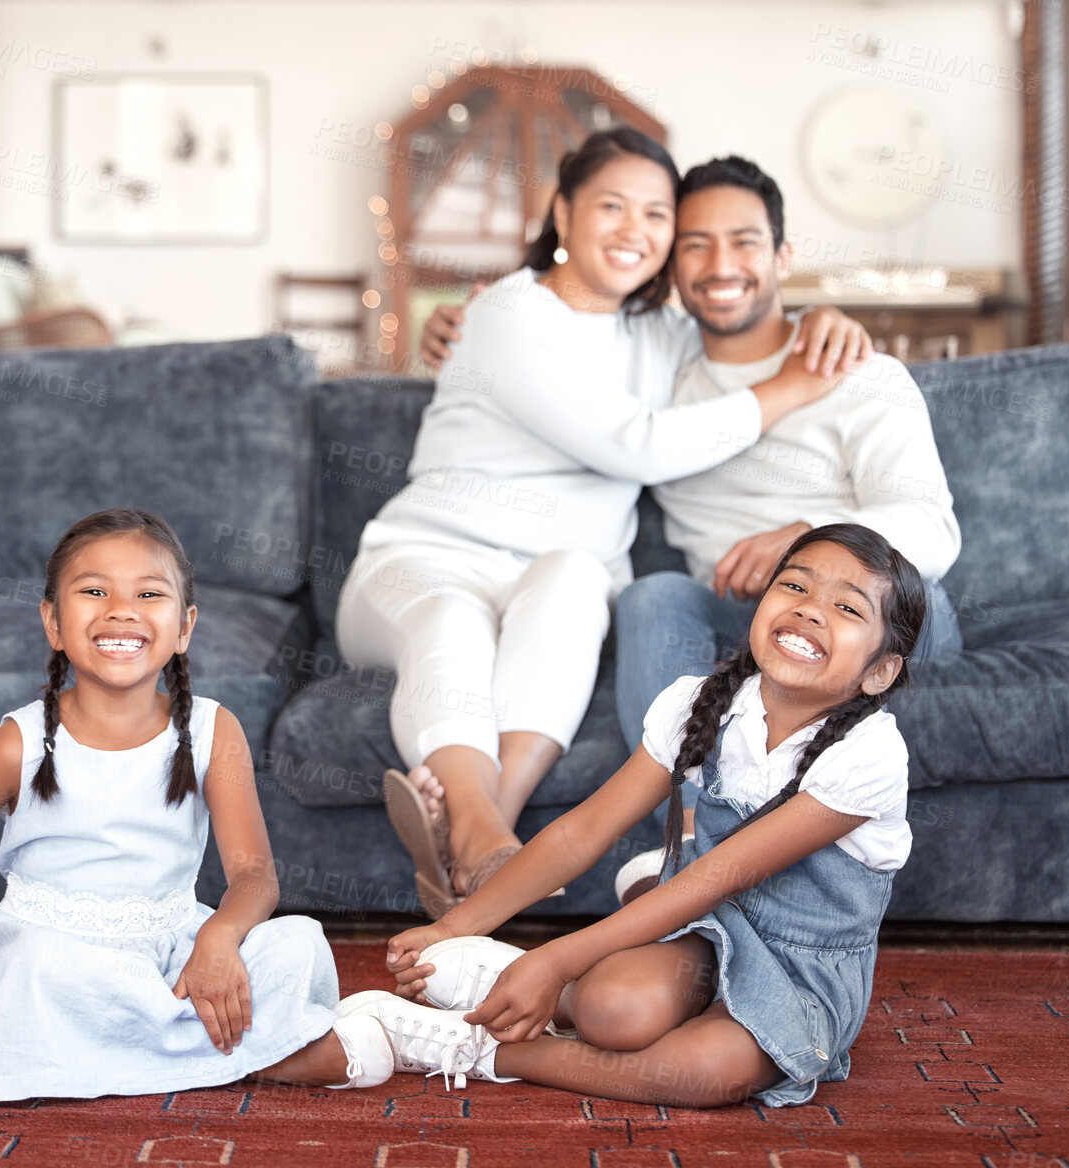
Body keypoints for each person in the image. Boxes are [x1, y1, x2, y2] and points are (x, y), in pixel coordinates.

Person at [337, 127, 872, 919]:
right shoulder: (508, 312)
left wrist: (822, 314)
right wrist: (789, 389)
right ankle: (483, 837)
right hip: (424, 558)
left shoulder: (659, 330)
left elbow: (743, 311)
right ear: (562, 211)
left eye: (656, 215)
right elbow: (638, 445)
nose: (635, 230)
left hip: (551, 570)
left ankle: (484, 835)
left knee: (578, 578)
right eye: (611, 206)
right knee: (449, 618)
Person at [418, 156, 961, 901]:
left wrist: (805, 541)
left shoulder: (854, 369)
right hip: (738, 618)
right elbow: (559, 338)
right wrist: (468, 324)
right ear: (670, 266)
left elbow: (929, 525)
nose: (719, 265)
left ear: (781, 257)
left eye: (743, 242)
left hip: (873, 611)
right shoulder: (661, 374)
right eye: (694, 245)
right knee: (652, 596)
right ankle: (680, 843)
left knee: (904, 604)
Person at [353, 523, 925, 1107]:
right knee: (612, 1009)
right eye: (795, 587)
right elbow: (582, 832)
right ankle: (512, 979)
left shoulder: (867, 755)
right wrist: (455, 926)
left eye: (847, 607)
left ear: (880, 671)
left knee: (706, 1071)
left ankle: (478, 1047)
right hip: (707, 930)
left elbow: (715, 878)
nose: (810, 612)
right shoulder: (700, 705)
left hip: (800, 969)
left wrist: (552, 962)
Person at [0, 508, 398, 1102]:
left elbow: (254, 877)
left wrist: (218, 938)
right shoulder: (16, 744)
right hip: (54, 961)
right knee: (41, 968)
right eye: (94, 591)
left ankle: (152, 1048)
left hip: (172, 955)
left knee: (295, 941)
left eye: (149, 593)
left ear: (184, 626)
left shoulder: (214, 730)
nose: (121, 609)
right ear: (53, 622)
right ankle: (263, 1054)